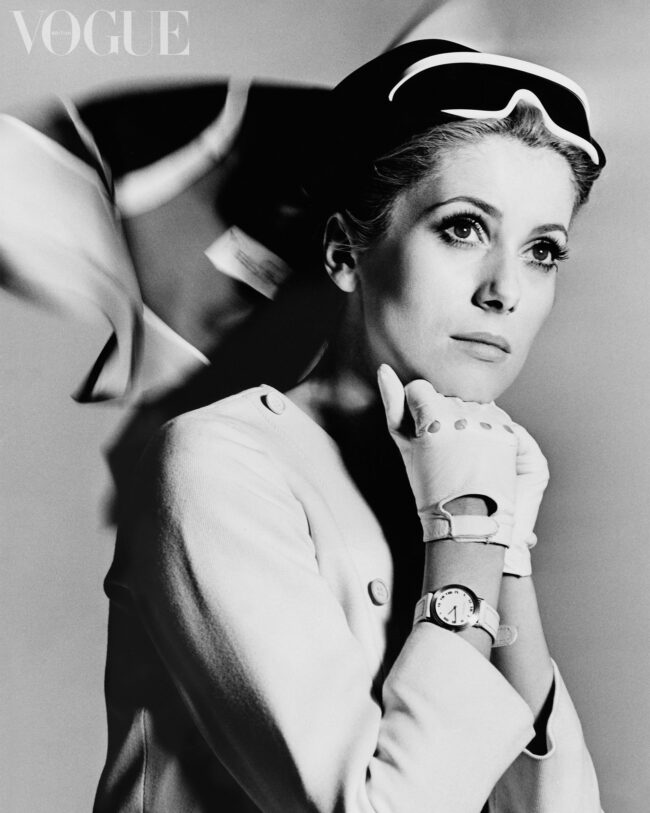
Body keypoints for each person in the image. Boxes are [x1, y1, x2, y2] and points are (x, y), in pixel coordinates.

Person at [94, 40, 605, 812]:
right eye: (463, 227)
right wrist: (468, 526)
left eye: (542, 250)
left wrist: (500, 539)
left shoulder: (457, 475)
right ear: (344, 251)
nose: (504, 289)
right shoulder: (216, 461)